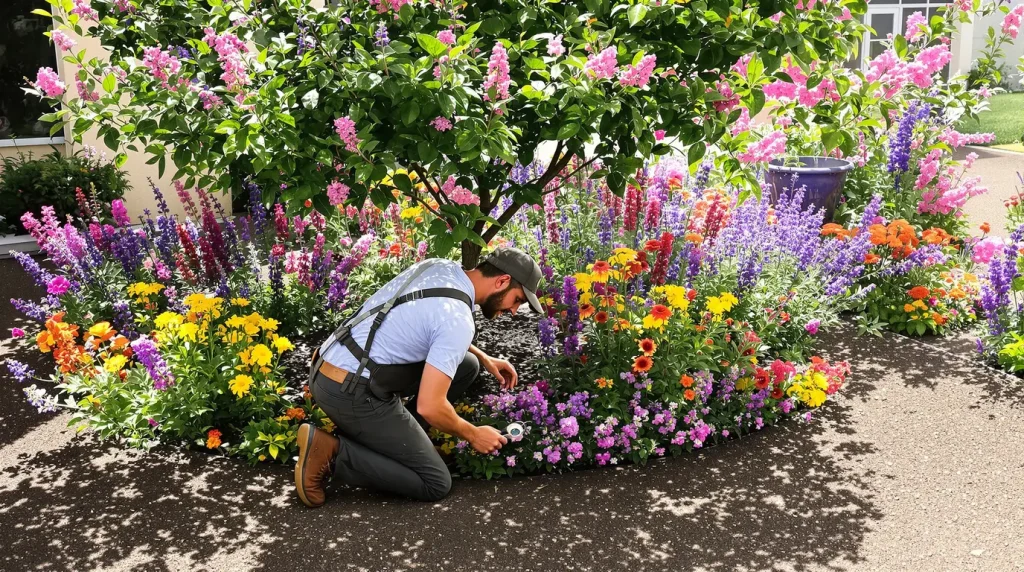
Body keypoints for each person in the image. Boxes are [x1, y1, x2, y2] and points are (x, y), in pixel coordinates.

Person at [294, 247, 544, 506]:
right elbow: (430, 406)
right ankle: (331, 451)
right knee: (435, 482)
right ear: (502, 281)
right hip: (349, 392)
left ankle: (404, 444)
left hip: (330, 365)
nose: (515, 310)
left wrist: (483, 356)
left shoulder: (439, 267)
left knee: (466, 365)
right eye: (517, 300)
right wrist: (473, 434)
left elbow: (422, 320)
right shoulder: (458, 320)